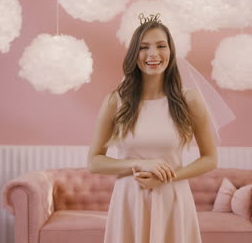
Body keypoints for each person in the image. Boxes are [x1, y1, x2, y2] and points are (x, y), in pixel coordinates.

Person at [87, 14, 218, 243]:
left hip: (172, 199)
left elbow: (210, 158)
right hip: (129, 201)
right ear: (134, 54)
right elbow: (94, 161)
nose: (153, 54)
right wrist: (138, 163)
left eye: (161, 46)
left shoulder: (190, 100)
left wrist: (168, 177)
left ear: (171, 52)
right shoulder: (115, 101)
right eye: (144, 47)